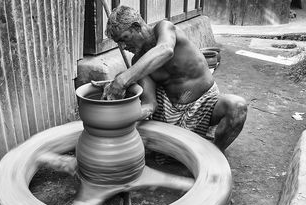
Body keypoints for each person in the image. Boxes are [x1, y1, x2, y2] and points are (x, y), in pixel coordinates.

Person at [99, 5, 247, 151]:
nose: (123, 46)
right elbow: (150, 105)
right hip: (170, 114)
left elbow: (166, 50)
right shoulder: (138, 61)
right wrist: (124, 116)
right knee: (134, 145)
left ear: (137, 27)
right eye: (119, 43)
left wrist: (123, 80)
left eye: (125, 38)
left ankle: (215, 155)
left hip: (205, 103)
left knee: (237, 107)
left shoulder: (164, 28)